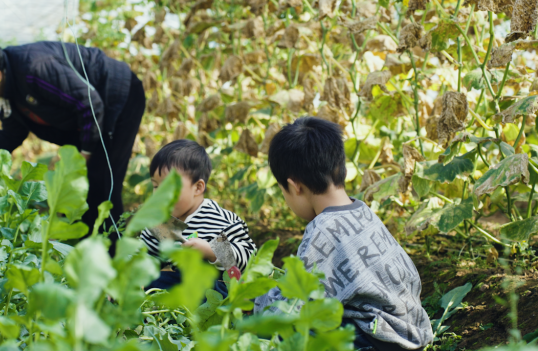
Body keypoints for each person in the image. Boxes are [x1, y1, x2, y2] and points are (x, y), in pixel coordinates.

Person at [254, 117, 433, 351]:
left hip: (379, 341)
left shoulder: (324, 230)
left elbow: (291, 308)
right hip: (410, 330)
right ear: (340, 167)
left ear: (295, 186)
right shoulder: (361, 211)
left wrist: (257, 303)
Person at [0, 41, 145, 242]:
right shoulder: (9, 87)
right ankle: (83, 250)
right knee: (79, 187)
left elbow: (89, 102)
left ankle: (111, 256)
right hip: (91, 117)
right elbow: (14, 128)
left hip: (117, 98)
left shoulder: (34, 68)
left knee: (102, 182)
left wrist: (86, 153)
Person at [140, 139, 257, 296]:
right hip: (182, 282)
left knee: (216, 288)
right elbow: (144, 254)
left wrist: (212, 251)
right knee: (155, 282)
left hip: (216, 286)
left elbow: (248, 257)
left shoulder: (219, 221)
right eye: (156, 186)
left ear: (197, 187)